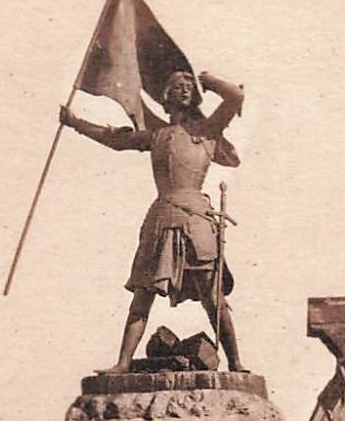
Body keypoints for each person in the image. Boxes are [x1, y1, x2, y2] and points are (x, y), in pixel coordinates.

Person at [60, 69, 246, 373]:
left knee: (213, 298)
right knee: (143, 294)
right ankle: (122, 363)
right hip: (161, 218)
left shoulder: (208, 131)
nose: (184, 90)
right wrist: (74, 122)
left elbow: (236, 97)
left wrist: (209, 80)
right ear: (165, 97)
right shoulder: (157, 135)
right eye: (177, 86)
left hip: (197, 219)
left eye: (189, 86)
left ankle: (236, 362)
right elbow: (115, 140)